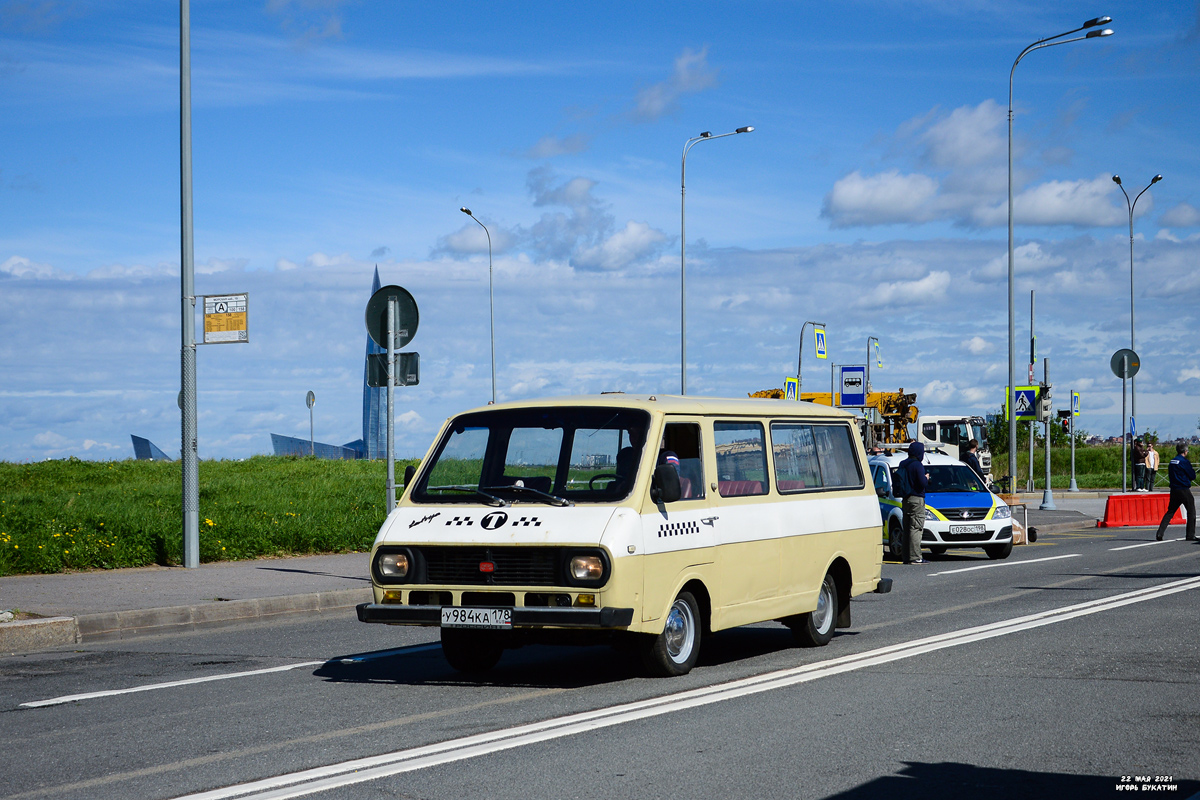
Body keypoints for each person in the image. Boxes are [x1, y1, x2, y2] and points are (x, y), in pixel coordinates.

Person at [1155, 444, 1196, 542]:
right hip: (1184, 489)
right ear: (1185, 451)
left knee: (1170, 511)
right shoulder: (1184, 462)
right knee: (1191, 511)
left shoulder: (1172, 461)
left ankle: (1160, 532)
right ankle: (1190, 535)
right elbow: (1192, 475)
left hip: (1174, 489)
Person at [899, 441, 930, 564]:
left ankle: (906, 556)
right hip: (917, 499)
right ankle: (916, 557)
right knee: (916, 528)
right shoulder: (917, 465)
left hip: (905, 499)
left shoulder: (903, 464)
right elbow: (922, 483)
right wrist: (926, 478)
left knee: (906, 528)